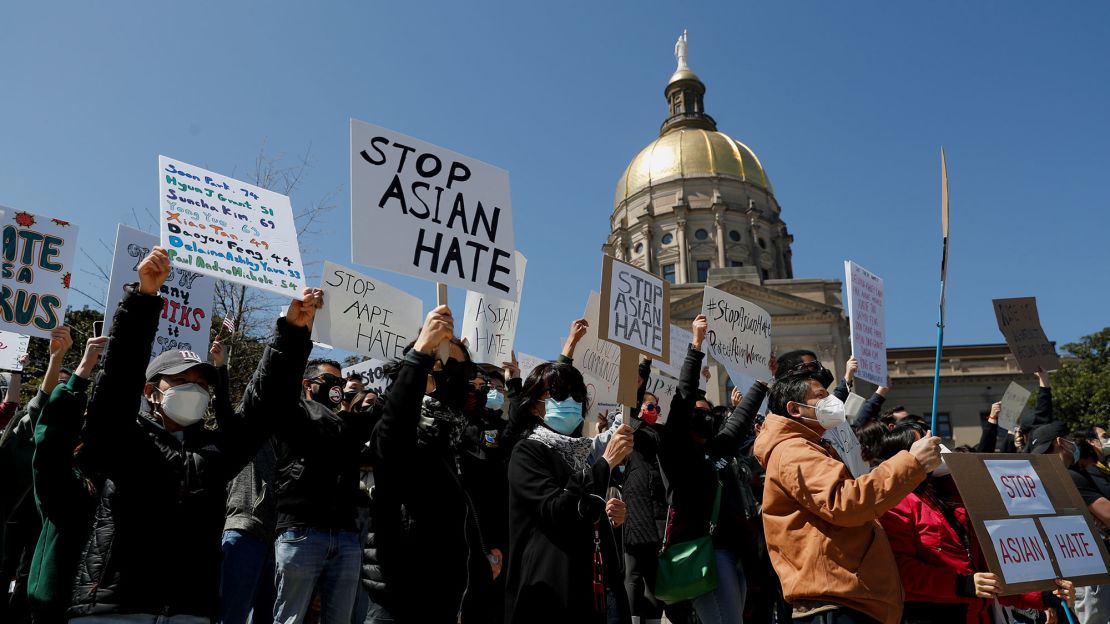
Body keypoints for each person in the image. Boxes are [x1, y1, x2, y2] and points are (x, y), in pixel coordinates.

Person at [67, 247, 318, 622]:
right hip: (114, 608)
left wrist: (291, 333)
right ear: (150, 391)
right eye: (182, 380)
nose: (195, 390)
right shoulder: (123, 438)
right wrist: (144, 298)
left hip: (190, 612)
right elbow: (116, 385)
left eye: (203, 384)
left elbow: (262, 408)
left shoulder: (215, 452)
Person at [755, 365, 942, 624]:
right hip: (835, 601)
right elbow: (846, 502)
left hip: (846, 596)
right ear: (794, 409)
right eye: (821, 396)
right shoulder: (794, 451)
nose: (831, 401)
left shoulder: (808, 447)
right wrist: (911, 463)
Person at [876, 424, 1074, 623]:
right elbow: (901, 571)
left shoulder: (957, 503)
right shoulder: (894, 505)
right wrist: (962, 585)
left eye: (935, 439)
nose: (935, 445)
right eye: (924, 441)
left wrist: (1045, 596)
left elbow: (992, 572)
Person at [367, 305, 491, 623]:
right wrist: (422, 350)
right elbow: (392, 435)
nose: (457, 379)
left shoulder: (462, 437)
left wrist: (482, 556)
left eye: (462, 372)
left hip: (449, 596)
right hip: (401, 593)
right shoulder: (402, 423)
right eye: (443, 365)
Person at [505, 351, 632, 624]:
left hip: (596, 591)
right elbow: (558, 510)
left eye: (577, 395)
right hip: (551, 594)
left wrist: (609, 521)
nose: (571, 401)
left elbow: (585, 514)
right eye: (559, 394)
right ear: (533, 405)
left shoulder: (583, 453)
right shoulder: (527, 452)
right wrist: (604, 465)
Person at [656, 315, 765, 624]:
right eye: (696, 413)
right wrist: (696, 346)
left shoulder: (717, 448)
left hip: (735, 552)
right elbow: (683, 397)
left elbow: (741, 419)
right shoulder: (675, 451)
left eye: (707, 413)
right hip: (707, 553)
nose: (702, 416)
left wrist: (761, 381)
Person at [271, 356, 372, 624]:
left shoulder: (347, 425)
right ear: (308, 384)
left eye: (340, 382)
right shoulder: (295, 413)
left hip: (346, 536)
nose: (337, 388)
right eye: (330, 381)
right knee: (291, 618)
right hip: (302, 532)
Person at [28, 334, 108, 624]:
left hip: (106, 611)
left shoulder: (123, 474)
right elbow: (48, 439)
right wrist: (82, 371)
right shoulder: (67, 479)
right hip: (57, 609)